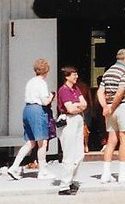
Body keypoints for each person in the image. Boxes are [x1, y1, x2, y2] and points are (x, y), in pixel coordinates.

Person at [8, 58, 56, 181]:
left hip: (27, 110)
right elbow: (45, 101)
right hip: (37, 110)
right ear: (46, 71)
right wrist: (51, 96)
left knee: (30, 142)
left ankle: (14, 166)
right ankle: (42, 171)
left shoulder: (30, 82)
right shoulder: (42, 83)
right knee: (42, 142)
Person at [99, 47, 125, 183]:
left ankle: (105, 173)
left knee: (111, 141)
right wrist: (113, 106)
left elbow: (100, 91)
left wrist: (106, 107)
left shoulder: (108, 72)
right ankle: (123, 174)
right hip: (123, 107)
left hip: (109, 108)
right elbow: (121, 91)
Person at [56, 66, 88, 195]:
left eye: (76, 74)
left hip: (78, 120)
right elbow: (70, 109)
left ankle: (72, 180)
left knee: (79, 154)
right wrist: (78, 107)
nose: (76, 76)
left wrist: (77, 107)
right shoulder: (63, 90)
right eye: (73, 74)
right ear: (66, 76)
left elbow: (84, 104)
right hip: (69, 121)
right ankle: (64, 185)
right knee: (69, 154)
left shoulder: (75, 88)